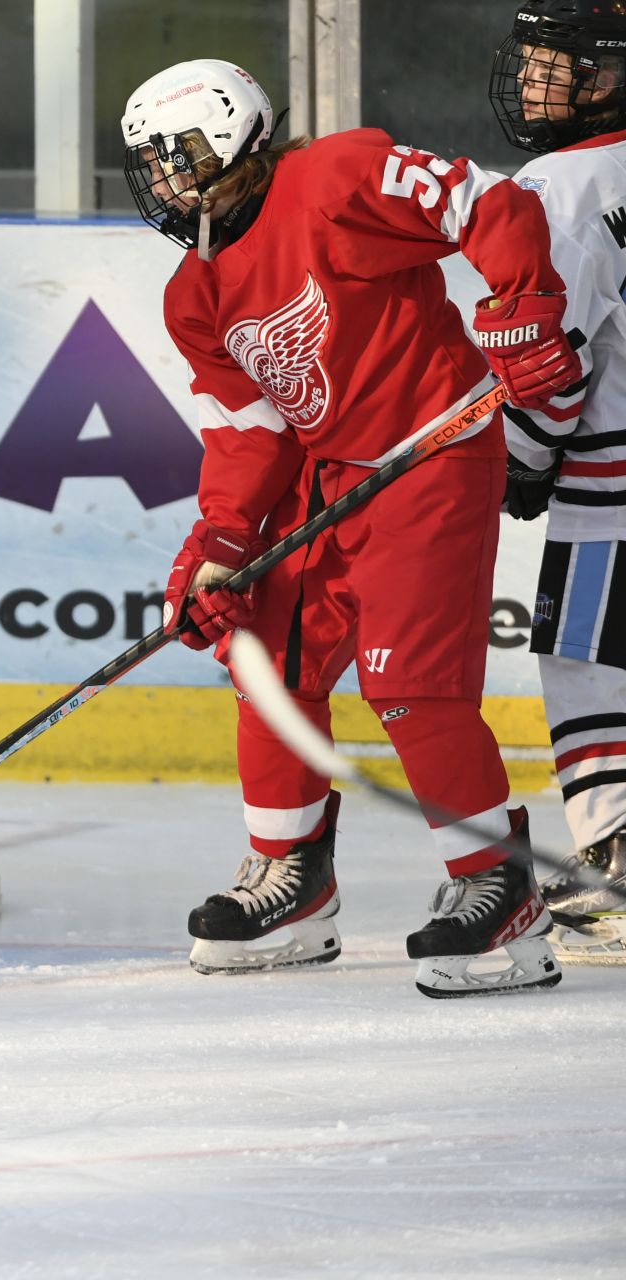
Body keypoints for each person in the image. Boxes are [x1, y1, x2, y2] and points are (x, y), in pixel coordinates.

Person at [122, 58, 583, 997]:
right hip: (330, 475)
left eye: (181, 155)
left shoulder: (332, 179)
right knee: (265, 653)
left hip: (433, 449)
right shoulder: (194, 294)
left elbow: (486, 206)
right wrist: (217, 547)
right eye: (152, 165)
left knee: (410, 683)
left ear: (239, 136)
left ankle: (498, 887)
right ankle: (293, 883)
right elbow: (250, 436)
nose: (166, 181)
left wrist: (519, 305)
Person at [487, 0, 626, 964]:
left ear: (610, 76)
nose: (536, 82)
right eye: (533, 61)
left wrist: (526, 455)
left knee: (587, 662)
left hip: (611, 478)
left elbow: (549, 351)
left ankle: (616, 870)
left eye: (558, 65)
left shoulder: (562, 182)